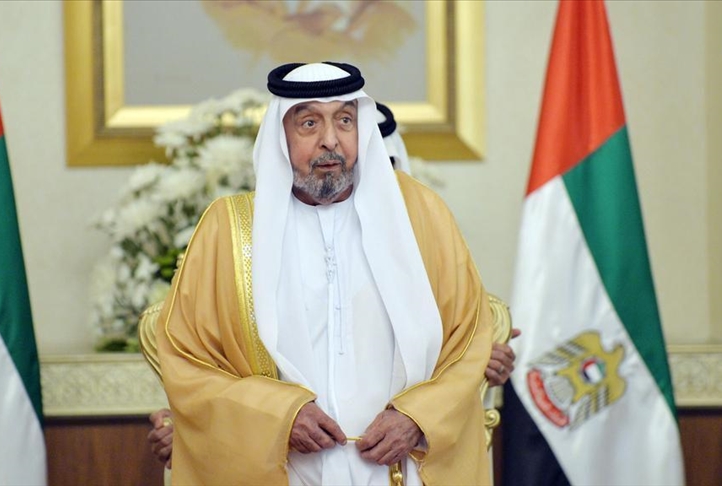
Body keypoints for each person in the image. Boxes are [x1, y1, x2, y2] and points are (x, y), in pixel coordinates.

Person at [140, 61, 493, 485]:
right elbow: (187, 361)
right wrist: (278, 416)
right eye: (309, 123)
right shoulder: (229, 230)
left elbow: (469, 340)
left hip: (398, 469)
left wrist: (418, 416)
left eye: (345, 120)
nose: (331, 139)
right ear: (280, 136)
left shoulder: (419, 216)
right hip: (286, 472)